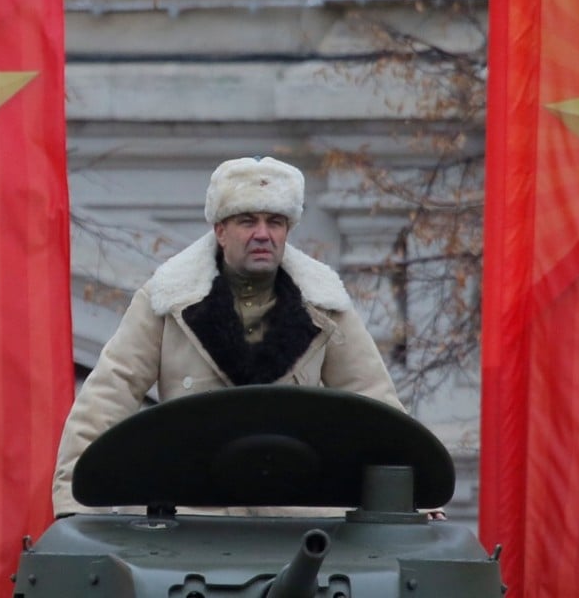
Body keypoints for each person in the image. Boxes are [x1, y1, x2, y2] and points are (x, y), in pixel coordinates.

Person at [52, 156, 409, 517]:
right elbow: (110, 394)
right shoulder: (168, 300)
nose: (263, 234)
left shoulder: (325, 306)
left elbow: (376, 406)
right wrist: (74, 503)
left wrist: (418, 494)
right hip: (193, 524)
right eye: (247, 221)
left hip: (295, 527)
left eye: (275, 222)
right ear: (220, 231)